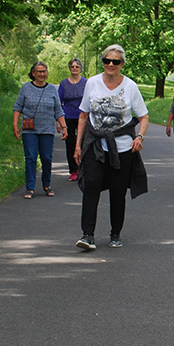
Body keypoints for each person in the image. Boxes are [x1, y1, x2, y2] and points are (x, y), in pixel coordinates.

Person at [74, 44, 149, 250]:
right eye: (107, 60)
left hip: (122, 146)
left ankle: (115, 233)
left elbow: (143, 117)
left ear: (122, 64)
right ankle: (87, 235)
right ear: (103, 62)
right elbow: (83, 115)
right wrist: (78, 146)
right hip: (95, 144)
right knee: (92, 186)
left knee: (117, 191)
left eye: (115, 61)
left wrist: (139, 137)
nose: (110, 64)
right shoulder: (92, 82)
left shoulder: (130, 86)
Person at [13, 61, 66, 198]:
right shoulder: (26, 88)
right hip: (29, 129)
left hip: (47, 130)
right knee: (30, 158)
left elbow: (58, 110)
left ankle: (47, 185)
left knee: (46, 158)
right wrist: (15, 125)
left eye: (44, 71)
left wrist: (64, 127)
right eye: (39, 71)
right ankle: (30, 188)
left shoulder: (52, 89)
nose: (42, 74)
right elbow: (18, 107)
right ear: (33, 73)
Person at [57, 57, 87, 181]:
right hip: (68, 116)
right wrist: (59, 121)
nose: (74, 68)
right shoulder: (64, 84)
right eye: (72, 66)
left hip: (82, 116)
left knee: (83, 142)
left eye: (77, 67)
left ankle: (83, 169)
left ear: (80, 69)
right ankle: (73, 170)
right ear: (70, 68)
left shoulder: (85, 83)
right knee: (70, 144)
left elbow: (89, 100)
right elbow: (59, 102)